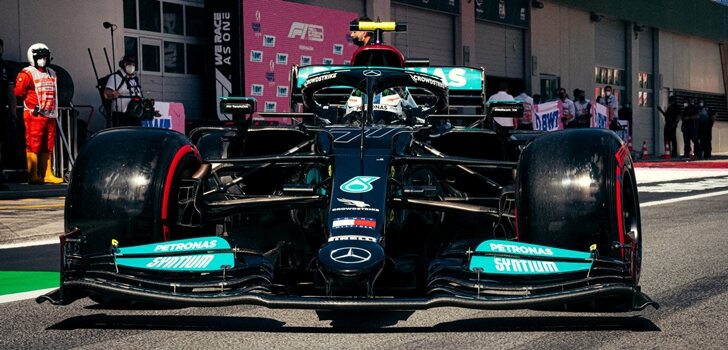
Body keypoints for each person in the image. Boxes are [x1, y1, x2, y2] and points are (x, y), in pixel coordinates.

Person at [15, 43, 63, 184]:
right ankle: (33, 174)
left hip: (49, 114)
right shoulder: (27, 73)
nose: (43, 59)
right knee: (33, 143)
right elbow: (18, 92)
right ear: (33, 58)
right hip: (34, 114)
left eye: (45, 57)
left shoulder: (52, 73)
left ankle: (47, 173)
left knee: (48, 144)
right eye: (40, 57)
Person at [103, 54, 142, 127]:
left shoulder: (135, 79)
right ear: (123, 64)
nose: (131, 66)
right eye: (128, 64)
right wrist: (113, 94)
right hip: (121, 116)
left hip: (135, 114)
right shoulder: (115, 77)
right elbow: (106, 94)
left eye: (133, 64)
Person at [0, 38, 17, 190]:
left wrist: (13, 112)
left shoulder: (5, 68)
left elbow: (10, 92)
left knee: (2, 145)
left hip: (2, 111)